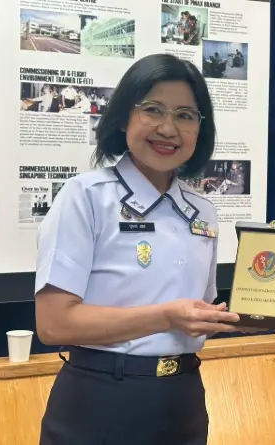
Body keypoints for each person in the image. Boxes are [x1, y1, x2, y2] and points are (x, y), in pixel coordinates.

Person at [34, 53, 242, 445]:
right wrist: (166, 317)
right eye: (153, 110)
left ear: (200, 128)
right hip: (100, 399)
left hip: (182, 399)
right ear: (123, 117)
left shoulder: (203, 211)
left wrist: (268, 315)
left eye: (185, 115)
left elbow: (199, 314)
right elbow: (53, 324)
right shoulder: (86, 197)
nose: (168, 128)